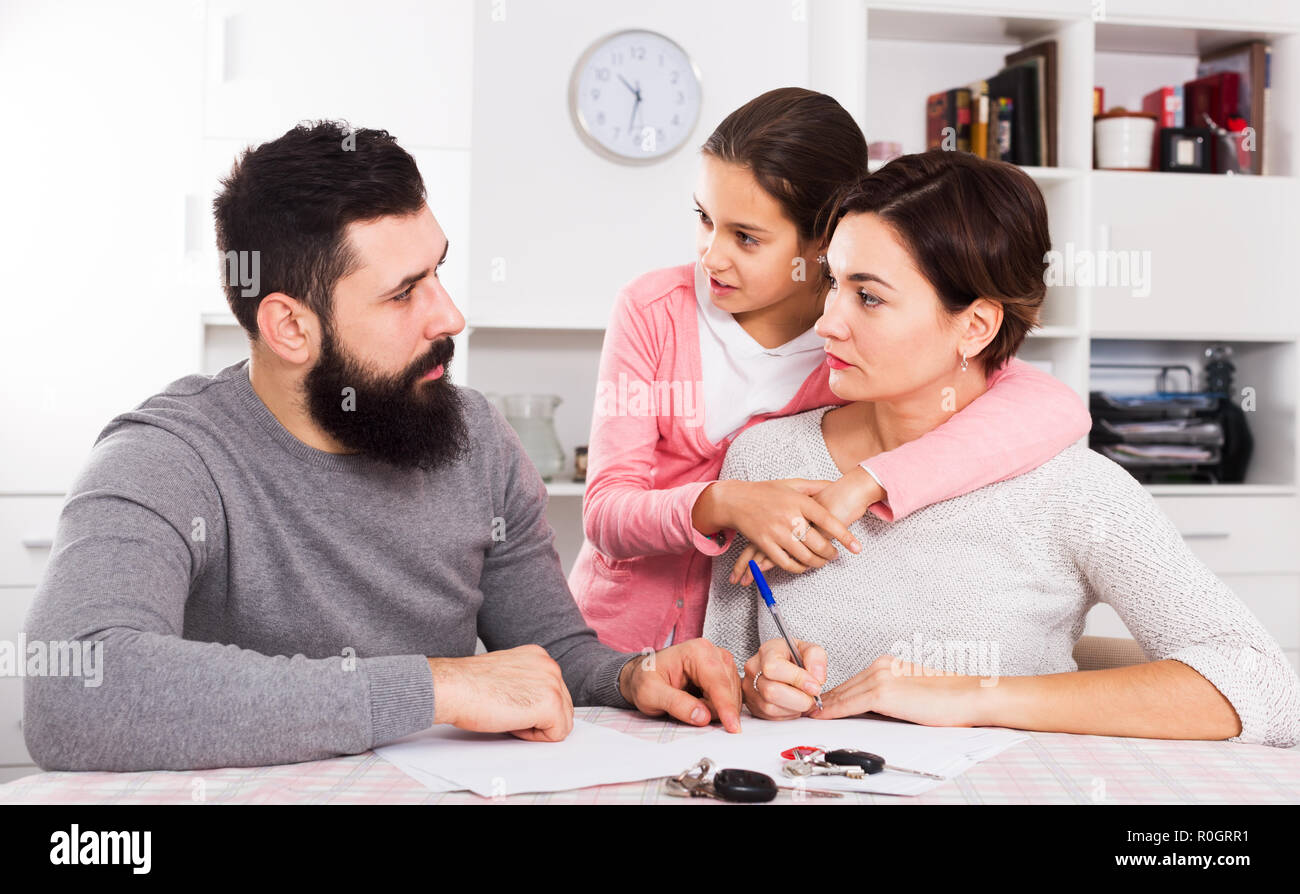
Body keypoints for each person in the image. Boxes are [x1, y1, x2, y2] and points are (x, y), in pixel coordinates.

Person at [21, 121, 743, 772]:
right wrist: (435, 686)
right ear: (290, 328)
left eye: (439, 272)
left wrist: (630, 676)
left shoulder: (478, 440)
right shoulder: (167, 458)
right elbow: (74, 687)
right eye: (404, 294)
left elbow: (554, 654)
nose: (449, 315)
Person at [703, 149, 1300, 747]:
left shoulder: (1073, 490)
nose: (827, 322)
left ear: (976, 327)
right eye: (833, 282)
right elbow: (723, 678)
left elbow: (1268, 691)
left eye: (870, 296)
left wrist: (971, 696)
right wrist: (757, 685)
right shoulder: (765, 463)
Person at [572, 88, 1092, 654]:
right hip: (614, 646)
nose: (712, 256)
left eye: (746, 237)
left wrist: (867, 485)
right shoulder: (652, 309)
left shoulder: (860, 334)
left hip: (748, 655)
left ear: (825, 238)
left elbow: (1052, 407)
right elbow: (605, 511)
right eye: (704, 219)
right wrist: (724, 501)